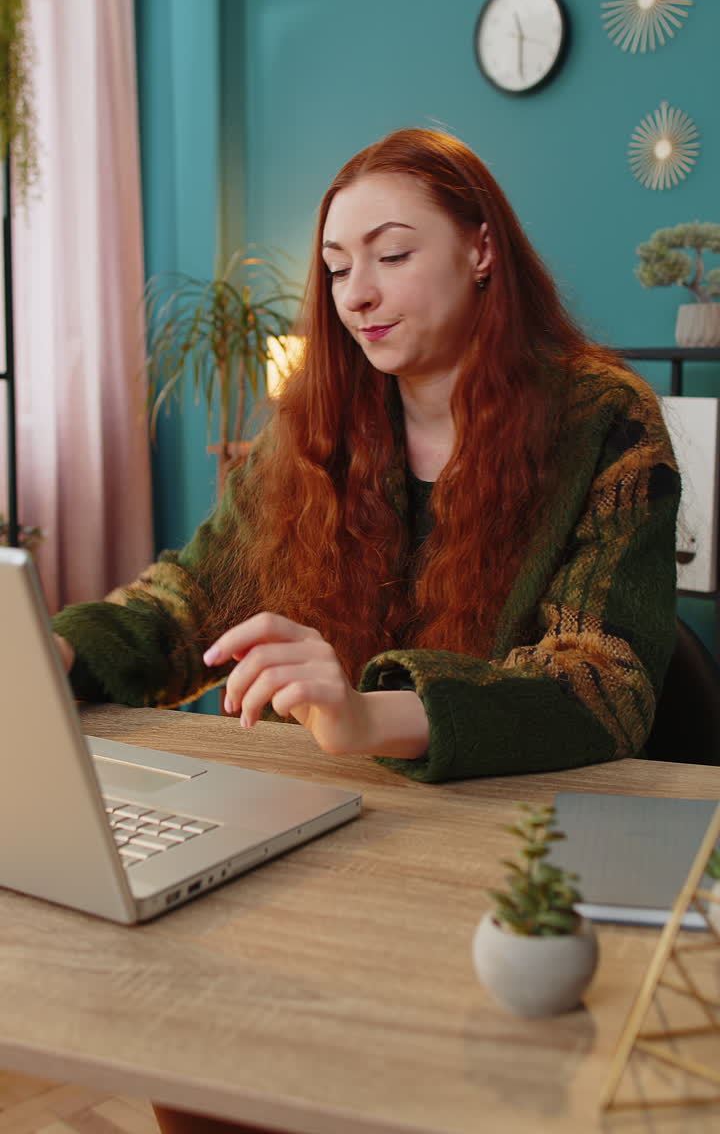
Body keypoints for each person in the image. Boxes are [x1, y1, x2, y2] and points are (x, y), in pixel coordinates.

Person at [53, 127, 680, 783]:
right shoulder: (314, 422)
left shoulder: (604, 422)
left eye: (393, 255)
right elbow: (195, 601)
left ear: (482, 249)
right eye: (338, 268)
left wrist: (364, 716)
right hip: (316, 806)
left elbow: (603, 685)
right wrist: (54, 652)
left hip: (508, 825)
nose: (356, 296)